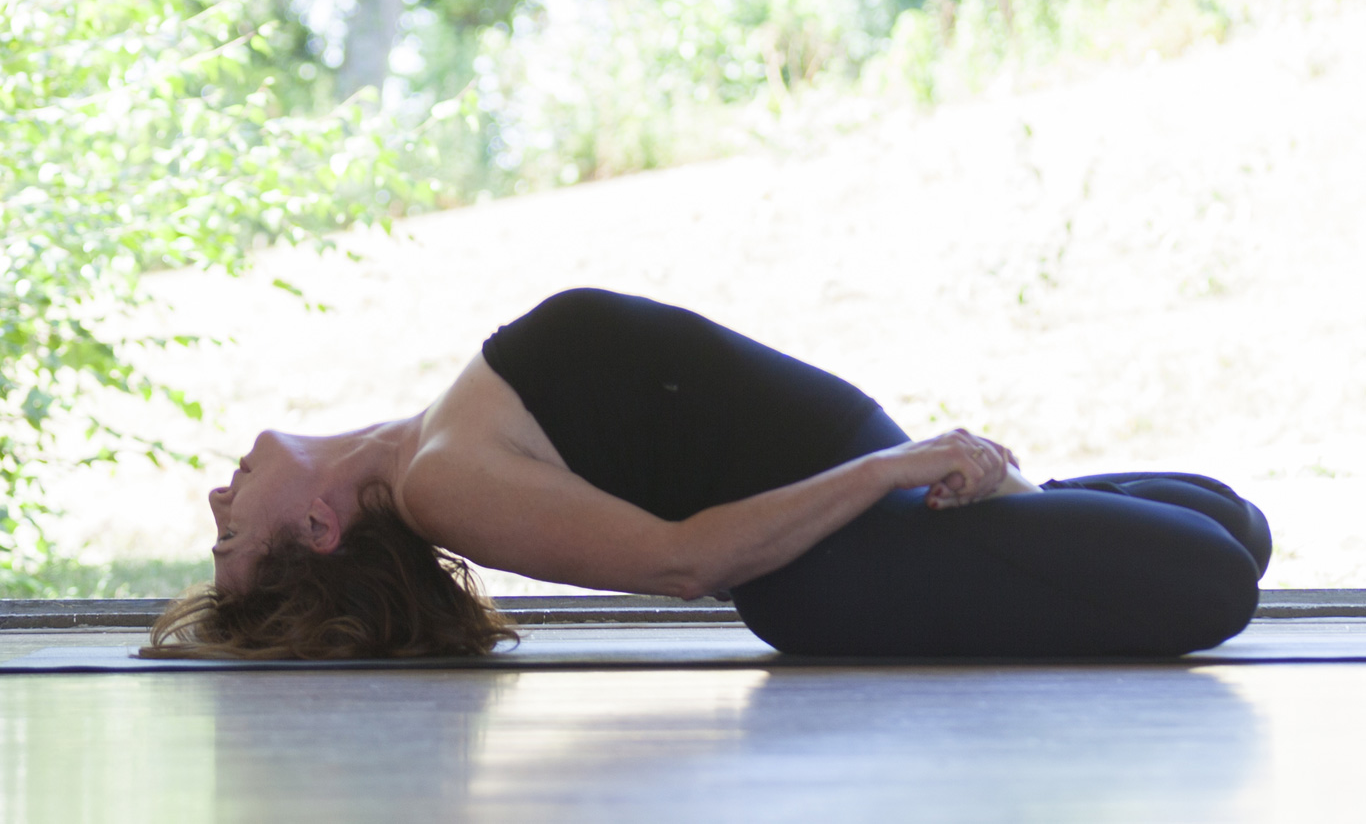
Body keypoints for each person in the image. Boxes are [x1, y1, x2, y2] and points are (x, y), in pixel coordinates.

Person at [143, 288, 1272, 660]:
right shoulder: (442, 481)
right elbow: (686, 563)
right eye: (231, 533)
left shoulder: (424, 430)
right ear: (323, 528)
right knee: (1217, 576)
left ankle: (1013, 527)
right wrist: (905, 460)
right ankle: (1001, 536)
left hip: (881, 507)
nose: (217, 499)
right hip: (845, 564)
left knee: (1234, 522)